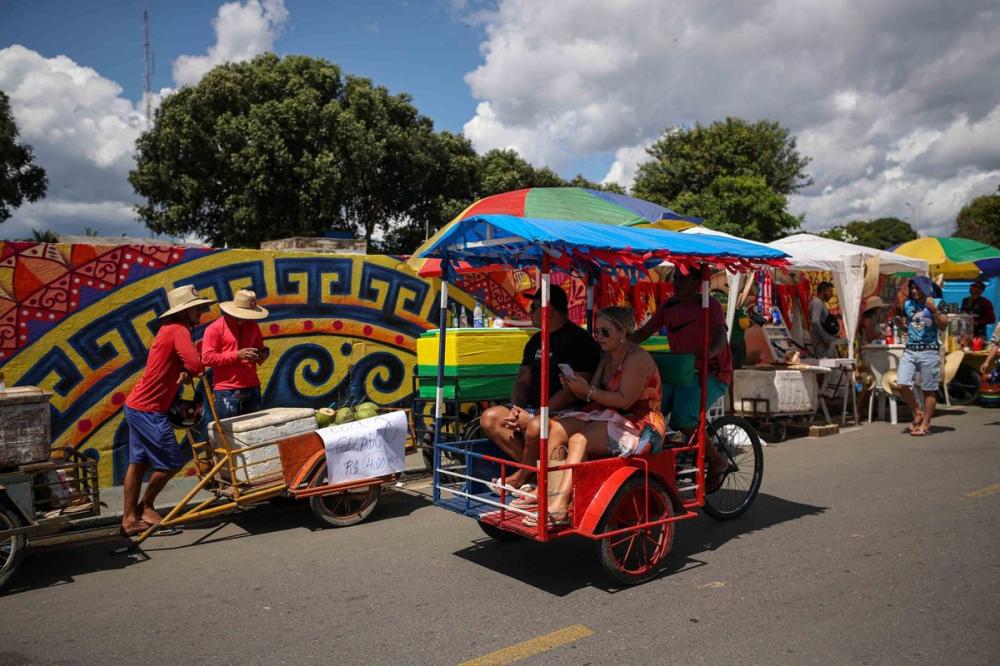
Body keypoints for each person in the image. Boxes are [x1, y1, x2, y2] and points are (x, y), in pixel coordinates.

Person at [524, 307, 665, 527]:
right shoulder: (606, 358)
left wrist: (587, 392)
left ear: (623, 332)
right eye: (596, 332)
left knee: (578, 440)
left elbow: (625, 400)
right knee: (557, 428)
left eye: (605, 332)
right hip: (608, 413)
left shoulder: (636, 358)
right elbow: (594, 391)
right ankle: (546, 493)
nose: (598, 337)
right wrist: (576, 385)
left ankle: (560, 507)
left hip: (639, 421)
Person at [480, 285, 601, 493]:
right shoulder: (535, 340)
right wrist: (516, 408)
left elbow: (573, 390)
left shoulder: (581, 342)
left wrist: (537, 413)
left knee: (536, 425)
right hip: (533, 409)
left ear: (549, 309)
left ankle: (522, 476)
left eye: (534, 306)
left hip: (569, 412)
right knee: (490, 417)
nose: (529, 311)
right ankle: (538, 474)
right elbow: (523, 380)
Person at [121, 285, 214, 536]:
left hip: (136, 405)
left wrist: (182, 369)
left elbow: (176, 362)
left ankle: (129, 519)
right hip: (150, 409)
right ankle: (146, 507)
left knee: (137, 464)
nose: (200, 313)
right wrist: (191, 367)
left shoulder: (167, 329)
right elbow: (195, 364)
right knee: (171, 462)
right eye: (196, 309)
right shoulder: (179, 330)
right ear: (184, 312)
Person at [631, 269, 732, 492]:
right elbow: (645, 332)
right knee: (649, 408)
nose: (675, 283)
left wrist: (710, 352)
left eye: (682, 279)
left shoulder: (709, 304)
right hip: (680, 371)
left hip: (711, 373)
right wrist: (619, 344)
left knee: (684, 419)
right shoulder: (669, 306)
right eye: (674, 278)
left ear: (698, 282)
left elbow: (720, 337)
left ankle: (717, 462)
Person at [201, 289, 270, 418]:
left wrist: (262, 354)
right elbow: (207, 358)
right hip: (226, 390)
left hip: (252, 386)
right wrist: (237, 355)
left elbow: (261, 348)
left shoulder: (253, 326)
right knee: (230, 434)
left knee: (255, 430)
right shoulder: (214, 328)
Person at [897, 276, 948, 436]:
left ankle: (925, 423)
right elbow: (909, 327)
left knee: (928, 389)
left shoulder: (939, 303)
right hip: (910, 350)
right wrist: (901, 327)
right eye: (912, 288)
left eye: (917, 288)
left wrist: (934, 310)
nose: (913, 291)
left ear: (925, 288)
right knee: (902, 384)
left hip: (929, 350)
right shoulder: (907, 304)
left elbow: (944, 325)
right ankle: (917, 412)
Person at [810, 281, 839, 358]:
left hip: (824, 343)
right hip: (821, 343)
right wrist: (824, 338)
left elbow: (823, 321)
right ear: (823, 291)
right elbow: (815, 321)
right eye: (830, 291)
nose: (831, 294)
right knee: (826, 365)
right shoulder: (817, 302)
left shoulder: (821, 303)